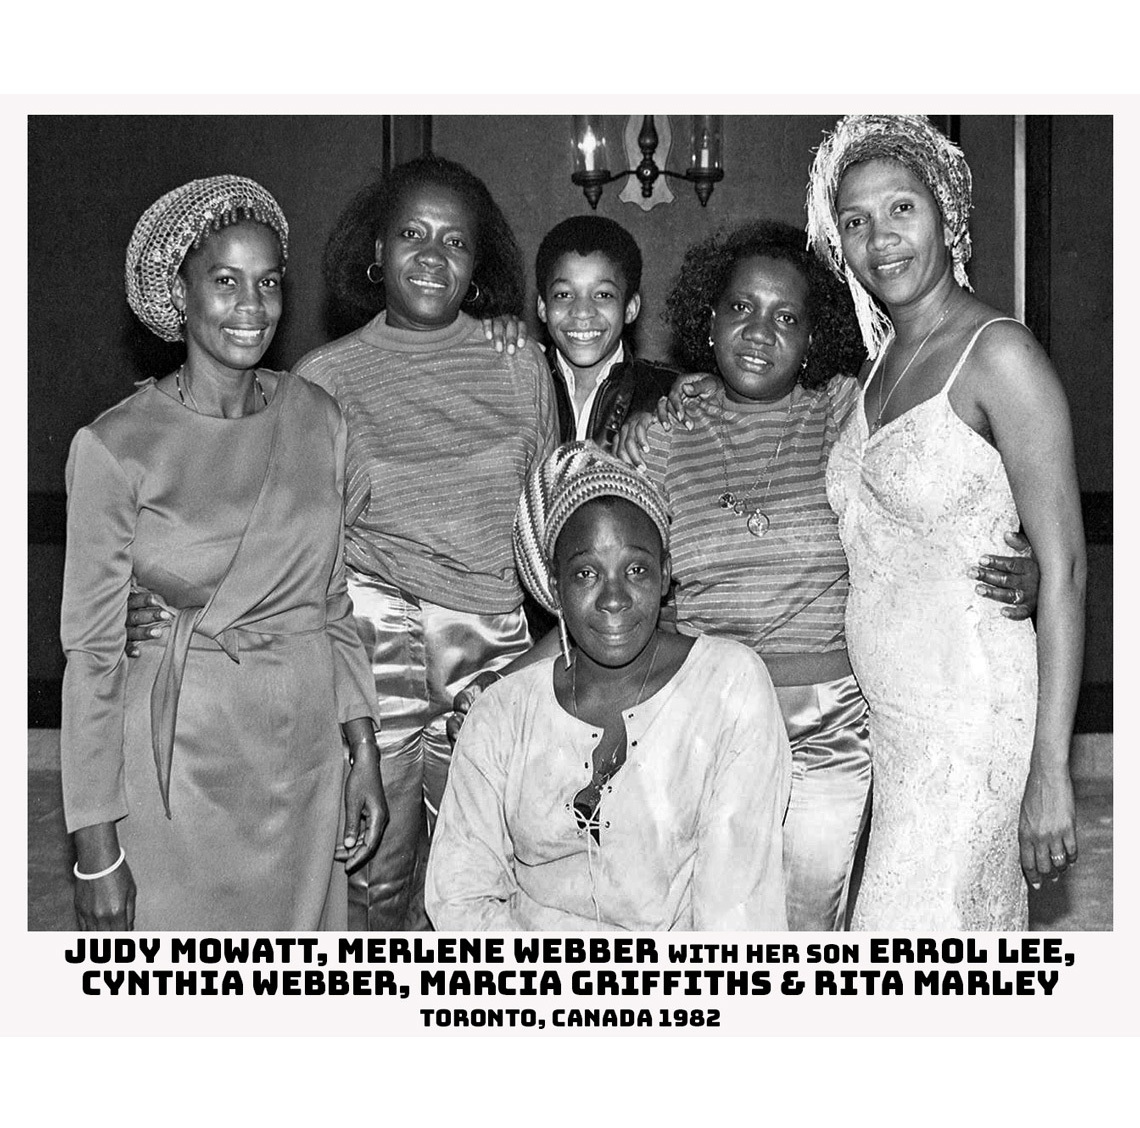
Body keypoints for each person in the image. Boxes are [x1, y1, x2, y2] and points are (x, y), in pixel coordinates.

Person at [615, 219, 1041, 931]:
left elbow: (943, 481)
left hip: (828, 723)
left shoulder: (849, 409)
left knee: (808, 923)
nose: (759, 331)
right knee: (710, 921)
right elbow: (621, 580)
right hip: (706, 713)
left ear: (813, 338)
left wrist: (1019, 553)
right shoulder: (660, 437)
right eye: (740, 308)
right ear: (708, 320)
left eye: (787, 317)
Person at [60, 175, 386, 930]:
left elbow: (331, 602)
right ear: (180, 293)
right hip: (181, 767)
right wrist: (95, 850)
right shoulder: (113, 446)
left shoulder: (318, 417)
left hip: (305, 758)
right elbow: (93, 658)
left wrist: (362, 750)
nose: (252, 305)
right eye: (226, 281)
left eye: (268, 282)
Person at [807, 114, 1085, 929]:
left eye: (902, 208)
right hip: (892, 727)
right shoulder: (874, 367)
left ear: (947, 216)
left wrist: (1052, 771)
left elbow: (1066, 569)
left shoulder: (1000, 355)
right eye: (856, 221)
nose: (880, 237)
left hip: (973, 717)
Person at [292, 156, 558, 930]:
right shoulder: (325, 377)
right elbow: (290, 538)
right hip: (378, 634)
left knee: (481, 872)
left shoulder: (519, 364)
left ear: (477, 267)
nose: (433, 256)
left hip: (495, 638)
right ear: (378, 250)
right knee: (374, 872)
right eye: (412, 234)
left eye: (455, 241)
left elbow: (544, 517)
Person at [426, 443, 790, 930]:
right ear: (555, 587)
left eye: (636, 569)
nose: (614, 598)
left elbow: (735, 915)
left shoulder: (729, 688)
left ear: (665, 574)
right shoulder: (503, 714)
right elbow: (461, 898)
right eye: (586, 574)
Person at [535, 216, 675, 452]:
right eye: (564, 294)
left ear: (630, 308)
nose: (582, 312)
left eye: (603, 295)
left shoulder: (666, 393)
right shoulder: (520, 384)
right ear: (542, 307)